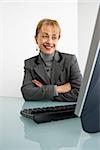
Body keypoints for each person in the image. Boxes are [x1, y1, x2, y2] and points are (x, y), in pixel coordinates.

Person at [21, 18, 82, 102]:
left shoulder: (70, 60)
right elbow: (27, 93)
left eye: (54, 37)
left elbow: (80, 93)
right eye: (45, 36)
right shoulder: (30, 64)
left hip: (64, 110)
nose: (50, 41)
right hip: (40, 110)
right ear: (36, 39)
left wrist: (45, 92)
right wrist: (57, 89)